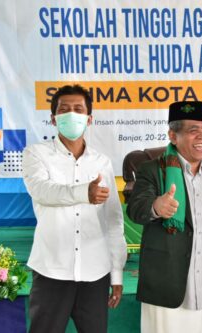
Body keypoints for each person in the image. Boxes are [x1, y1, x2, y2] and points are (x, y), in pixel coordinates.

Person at [22, 84, 127, 333]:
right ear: (53, 118)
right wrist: (84, 193)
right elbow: (42, 191)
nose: (71, 114)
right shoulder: (36, 154)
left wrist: (117, 273)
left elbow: (113, 220)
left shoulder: (102, 162)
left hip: (95, 273)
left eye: (78, 109)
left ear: (89, 119)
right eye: (64, 109)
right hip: (51, 271)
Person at [126, 101, 202, 333]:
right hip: (166, 284)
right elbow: (136, 208)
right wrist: (156, 206)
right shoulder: (152, 170)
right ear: (173, 136)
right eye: (193, 130)